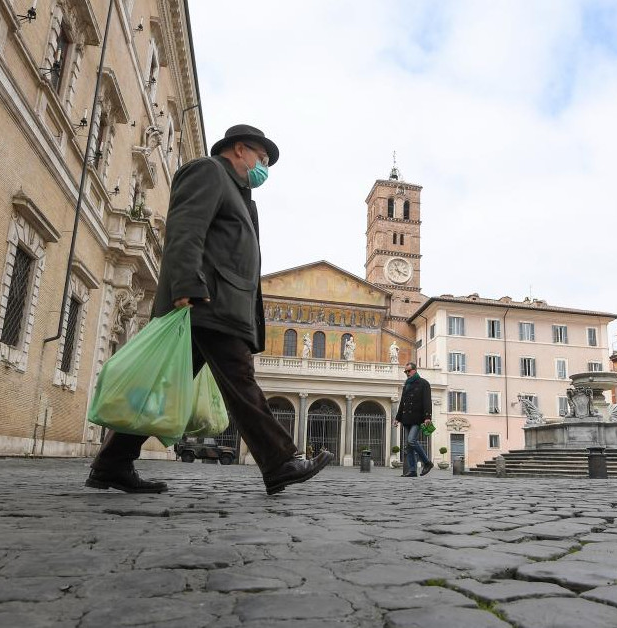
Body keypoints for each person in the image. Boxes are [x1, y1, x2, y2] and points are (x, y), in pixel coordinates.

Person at [86, 124, 334, 495]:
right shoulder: (208, 171)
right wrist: (186, 285)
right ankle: (280, 461)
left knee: (158, 388)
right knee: (241, 381)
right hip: (207, 304)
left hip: (221, 306)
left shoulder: (240, 195)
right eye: (261, 158)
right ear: (238, 149)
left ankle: (111, 464)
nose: (263, 167)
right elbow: (185, 229)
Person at [393, 362, 433, 477]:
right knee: (408, 445)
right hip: (406, 419)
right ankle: (412, 470)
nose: (407, 373)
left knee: (411, 440)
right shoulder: (406, 385)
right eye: (405, 371)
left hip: (417, 418)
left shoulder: (423, 383)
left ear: (415, 370)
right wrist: (397, 418)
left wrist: (427, 417)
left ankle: (427, 462)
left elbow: (427, 401)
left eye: (408, 371)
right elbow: (402, 403)